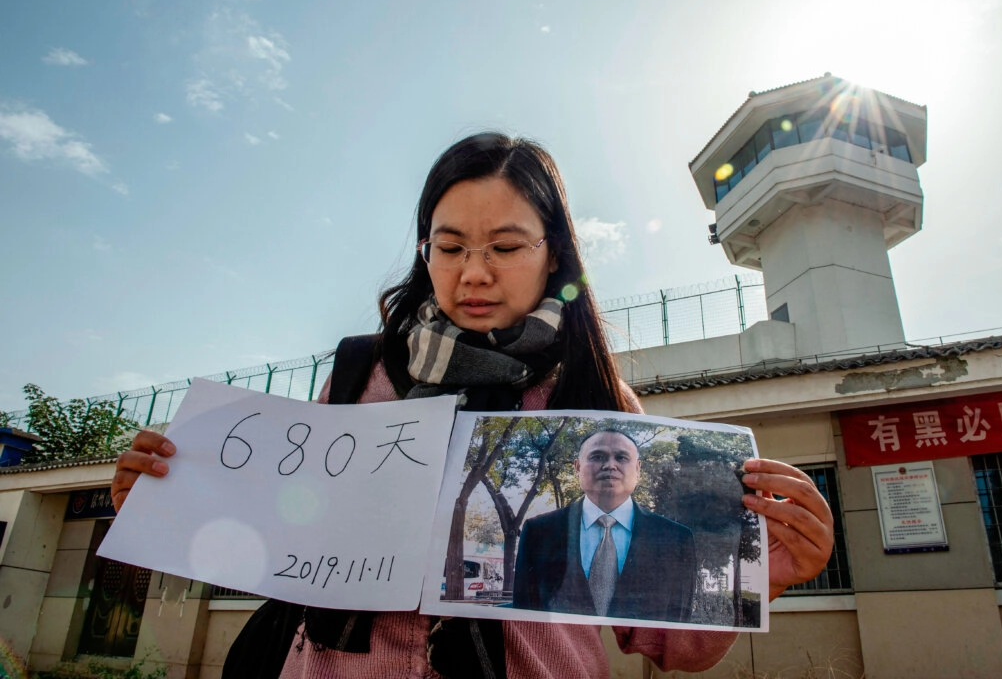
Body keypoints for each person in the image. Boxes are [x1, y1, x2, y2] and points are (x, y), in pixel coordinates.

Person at [111, 132, 836, 679]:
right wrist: (168, 501)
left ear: (554, 254)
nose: (474, 272)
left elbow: (668, 638)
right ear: (425, 251)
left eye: (506, 245)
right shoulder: (360, 374)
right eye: (449, 246)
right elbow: (284, 536)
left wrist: (762, 568)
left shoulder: (600, 410)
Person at [513, 429, 696, 621]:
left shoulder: (676, 540)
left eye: (621, 457)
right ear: (577, 467)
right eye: (598, 456)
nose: (610, 465)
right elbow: (524, 617)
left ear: (638, 468)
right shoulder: (539, 532)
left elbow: (679, 622)